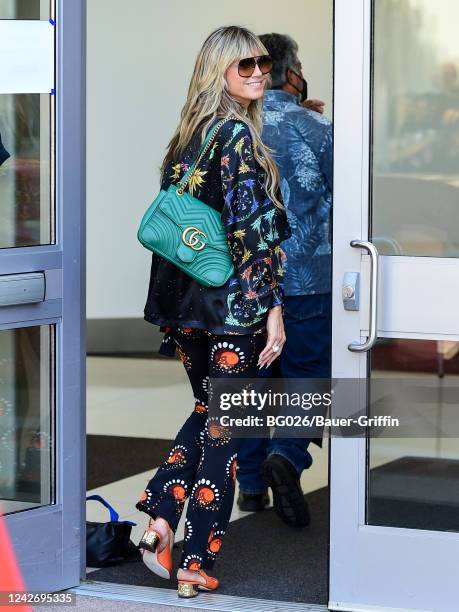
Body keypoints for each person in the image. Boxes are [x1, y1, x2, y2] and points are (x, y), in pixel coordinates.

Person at [134, 26, 291, 598]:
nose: (258, 72)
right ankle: (195, 561)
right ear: (218, 69)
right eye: (244, 64)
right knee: (226, 427)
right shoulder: (238, 139)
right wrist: (272, 308)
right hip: (230, 310)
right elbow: (249, 234)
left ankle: (157, 518)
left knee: (210, 410)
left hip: (183, 308)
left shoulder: (185, 137)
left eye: (264, 63)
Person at [237, 33, 333, 528]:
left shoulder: (227, 128)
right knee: (309, 375)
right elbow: (344, 202)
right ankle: (289, 455)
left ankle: (251, 484)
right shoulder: (317, 127)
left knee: (249, 384)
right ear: (291, 72)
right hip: (308, 278)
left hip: (243, 282)